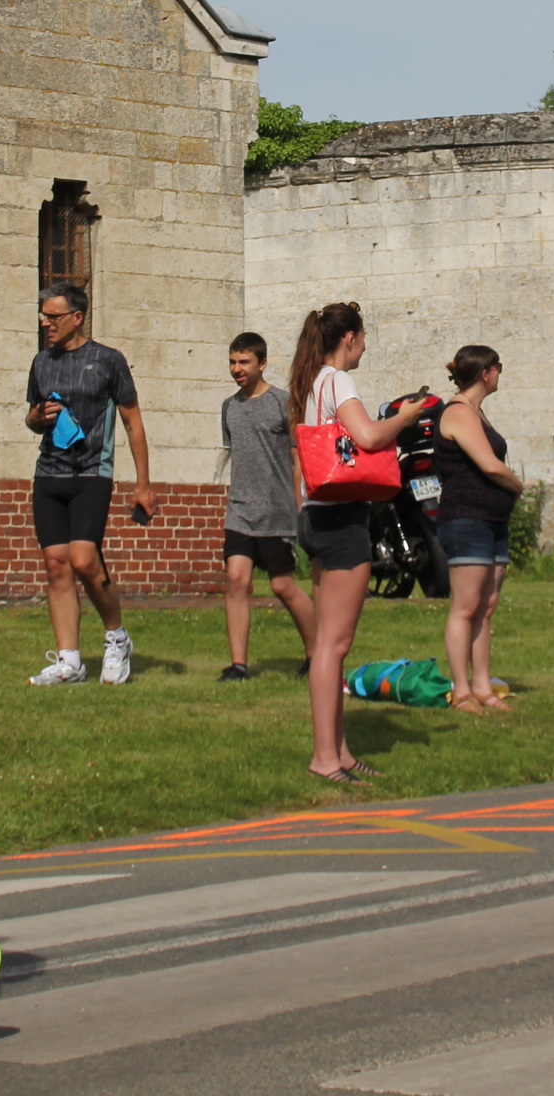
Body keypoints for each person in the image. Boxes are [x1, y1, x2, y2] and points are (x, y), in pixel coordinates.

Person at [288, 302, 426, 783]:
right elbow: (367, 438)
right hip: (343, 519)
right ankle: (325, 758)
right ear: (349, 338)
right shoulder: (339, 381)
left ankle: (339, 751)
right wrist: (404, 417)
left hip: (315, 514)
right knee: (333, 645)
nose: (365, 347)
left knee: (330, 644)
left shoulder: (309, 382)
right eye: (363, 338)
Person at [24, 282, 154, 686]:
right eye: (43, 316)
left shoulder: (108, 360)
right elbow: (32, 418)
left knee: (83, 559)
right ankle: (70, 662)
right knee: (56, 566)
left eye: (53, 316)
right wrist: (37, 418)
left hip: (91, 474)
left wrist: (143, 484)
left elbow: (133, 422)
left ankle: (117, 638)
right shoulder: (41, 362)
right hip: (49, 474)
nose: (46, 323)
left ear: (77, 317)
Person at [432, 345, 525, 714]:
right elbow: (489, 464)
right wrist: (517, 485)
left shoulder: (476, 412)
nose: (500, 373)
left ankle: (483, 687)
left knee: (486, 607)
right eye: (498, 367)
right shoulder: (457, 412)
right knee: (466, 606)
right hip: (466, 520)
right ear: (486, 372)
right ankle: (462, 691)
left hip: (492, 521)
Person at [219, 331, 315, 681]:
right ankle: (238, 665)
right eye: (233, 362)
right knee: (236, 579)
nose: (237, 368)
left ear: (262, 363)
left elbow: (298, 459)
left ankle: (317, 653)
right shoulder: (229, 407)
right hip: (240, 510)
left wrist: (300, 505)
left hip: (277, 510)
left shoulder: (283, 403)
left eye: (244, 362)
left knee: (282, 586)